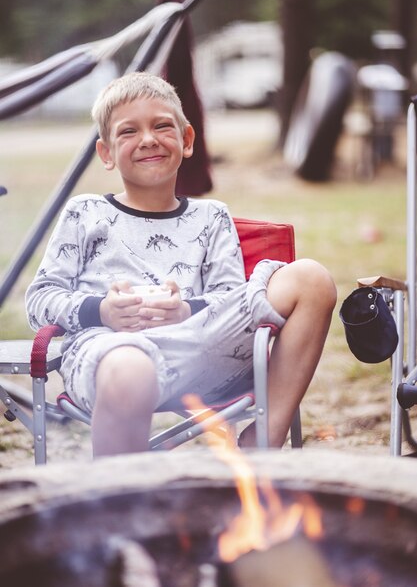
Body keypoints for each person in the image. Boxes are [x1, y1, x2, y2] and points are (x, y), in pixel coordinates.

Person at [26, 71, 336, 457]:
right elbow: (40, 299)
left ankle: (263, 442)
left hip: (202, 348)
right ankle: (124, 504)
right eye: (128, 132)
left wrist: (186, 309)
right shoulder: (84, 213)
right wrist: (102, 310)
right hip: (110, 350)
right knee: (129, 368)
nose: (149, 139)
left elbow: (230, 297)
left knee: (312, 278)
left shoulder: (211, 216)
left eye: (161, 126)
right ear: (106, 153)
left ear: (186, 140)